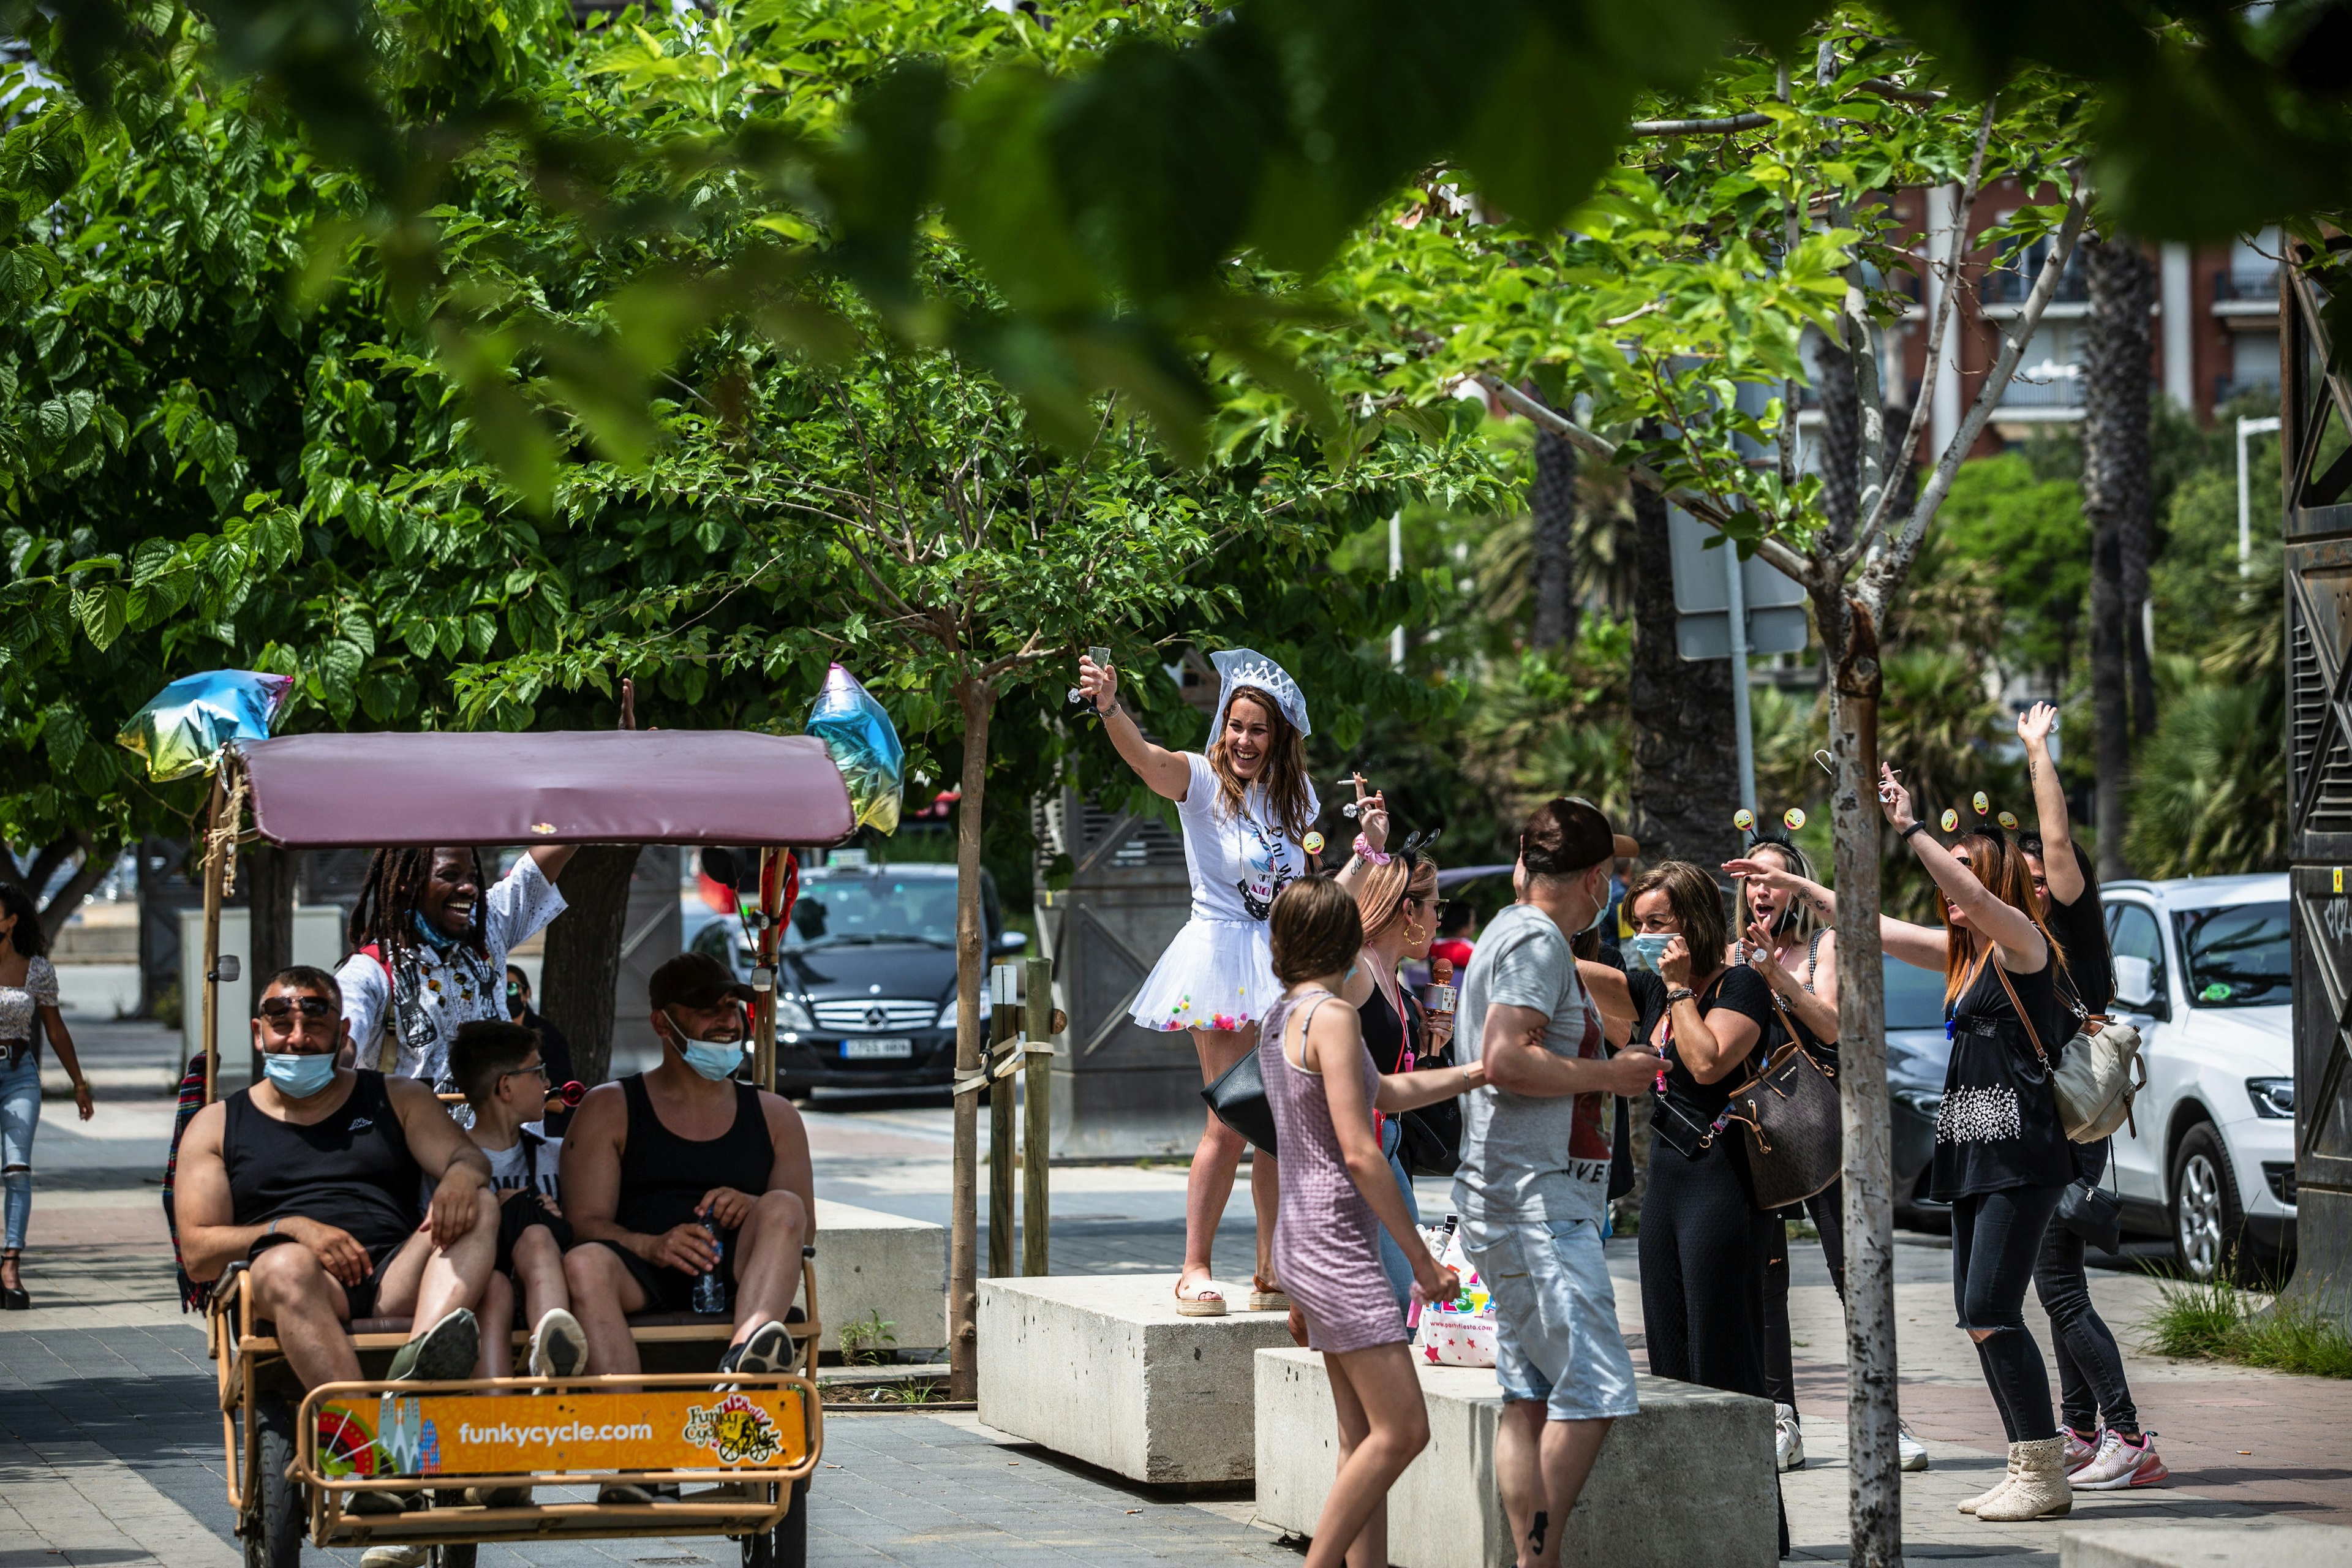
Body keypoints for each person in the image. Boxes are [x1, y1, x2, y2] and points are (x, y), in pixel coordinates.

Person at [1074, 647, 1326, 1316]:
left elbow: (1310, 890)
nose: (1244, 740)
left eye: (1259, 729)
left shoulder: (1299, 799)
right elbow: (1146, 759)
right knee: (1230, 1120)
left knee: (1282, 1120)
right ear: (1223, 725)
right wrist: (1108, 705)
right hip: (1217, 960)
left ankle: (1272, 1269)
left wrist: (1372, 850)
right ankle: (1194, 1268)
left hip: (1282, 965)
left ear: (1279, 738)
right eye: (1236, 726)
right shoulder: (1200, 780)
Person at [1452, 800, 1659, 1568]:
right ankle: (1539, 1562)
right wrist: (1614, 1073)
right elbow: (1506, 1058)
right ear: (1597, 878)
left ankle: (1534, 1560)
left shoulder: (1511, 932)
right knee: (1599, 1390)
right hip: (1536, 1207)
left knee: (1529, 1398)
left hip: (1515, 1200)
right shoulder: (1538, 942)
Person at [1259, 876, 1482, 1568]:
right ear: (1347, 939)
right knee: (1405, 1429)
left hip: (1304, 1238)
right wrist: (1422, 1260)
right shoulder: (1334, 1017)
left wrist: (1474, 1073)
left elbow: (1385, 1090)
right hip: (1336, 1245)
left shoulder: (1285, 1014)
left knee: (1362, 1438)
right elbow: (1361, 1151)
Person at [1875, 766, 2075, 1523]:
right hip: (1971, 1146)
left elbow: (1986, 903)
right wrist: (1801, 895)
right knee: (1976, 1311)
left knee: (1993, 1306)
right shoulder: (1966, 956)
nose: (1949, 893)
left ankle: (2043, 1469)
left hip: (2020, 1151)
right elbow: (1874, 927)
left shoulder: (2023, 944)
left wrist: (1911, 829)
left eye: (1963, 879)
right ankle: (2027, 1461)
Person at [173, 966, 498, 1401]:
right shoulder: (216, 1125)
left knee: (481, 1201)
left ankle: (415, 1373)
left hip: (397, 1275)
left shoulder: (397, 1097)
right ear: (258, 1032)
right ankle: (364, 1438)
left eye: (315, 1026)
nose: (298, 1039)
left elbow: (468, 1158)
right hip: (301, 1285)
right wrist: (289, 1228)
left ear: (343, 1032)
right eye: (282, 1025)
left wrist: (458, 1176)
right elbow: (198, 1255)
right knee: (286, 1264)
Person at [561, 950, 814, 1504]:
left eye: (732, 1006)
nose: (726, 1019)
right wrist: (650, 1245)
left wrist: (751, 1204)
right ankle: (634, 1447)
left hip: (741, 1276)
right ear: (662, 1022)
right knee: (583, 1261)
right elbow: (586, 1222)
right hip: (641, 1272)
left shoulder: (774, 1115)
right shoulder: (612, 1106)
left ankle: (742, 1367)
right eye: (706, 1009)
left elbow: (804, 1228)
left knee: (783, 1208)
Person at [2016, 703, 2165, 1490]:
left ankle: (2130, 1435)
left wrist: (2040, 753)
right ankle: (2079, 1427)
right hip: (2050, 1128)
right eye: (2027, 877)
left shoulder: (2072, 933)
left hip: (2067, 1131)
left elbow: (2060, 842)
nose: (2038, 878)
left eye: (2044, 874)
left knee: (2061, 1287)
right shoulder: (2020, 945)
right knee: (2052, 1282)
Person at [337, 844, 577, 1091]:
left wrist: (588, 815)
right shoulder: (369, 972)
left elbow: (537, 869)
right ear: (406, 882)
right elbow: (340, 1047)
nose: (469, 888)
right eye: (450, 875)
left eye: (472, 877)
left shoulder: (486, 927)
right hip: (418, 1129)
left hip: (510, 1130)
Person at [1338, 848, 1458, 1311]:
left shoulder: (1397, 982)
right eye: (1437, 907)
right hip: (1354, 1151)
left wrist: (1432, 1041)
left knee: (1402, 1301)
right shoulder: (1356, 972)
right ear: (1409, 909)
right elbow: (1323, 929)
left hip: (1388, 1144)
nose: (1439, 920)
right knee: (1398, 1301)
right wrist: (1366, 849)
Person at [437, 1020, 587, 1382]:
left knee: (537, 1236)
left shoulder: (557, 1155)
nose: (548, 1084)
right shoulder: (447, 1166)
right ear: (506, 1087)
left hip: (552, 1280)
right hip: (483, 1295)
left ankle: (551, 1358)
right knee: (496, 1284)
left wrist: (553, 1217)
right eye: (538, 1072)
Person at [0, 883, 92, 1310]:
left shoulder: (37, 969)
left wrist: (78, 1082)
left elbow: (55, 1029)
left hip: (20, 1076)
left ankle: (11, 1266)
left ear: (10, 920)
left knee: (17, 1169)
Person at [505, 965, 576, 1135]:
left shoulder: (547, 1036)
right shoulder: (492, 1035)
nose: (505, 994)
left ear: (527, 993)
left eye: (511, 987)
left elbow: (561, 1102)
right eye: (499, 988)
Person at [1430, 900, 1477, 973]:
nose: (1475, 927)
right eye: (1473, 923)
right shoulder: (1473, 952)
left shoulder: (1429, 947)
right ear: (1463, 930)